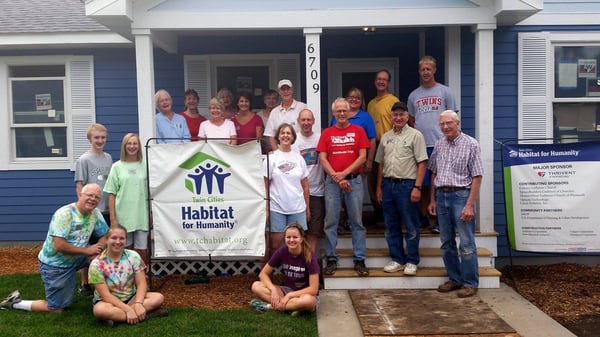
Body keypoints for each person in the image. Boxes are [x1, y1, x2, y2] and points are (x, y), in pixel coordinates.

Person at [0, 184, 109, 312]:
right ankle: (15, 303)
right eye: (89, 195)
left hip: (78, 257)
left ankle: (107, 294)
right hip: (56, 265)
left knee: (108, 257)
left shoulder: (94, 213)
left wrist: (97, 252)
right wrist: (88, 251)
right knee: (57, 309)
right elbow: (59, 245)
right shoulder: (64, 214)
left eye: (96, 197)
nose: (93, 199)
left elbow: (105, 233)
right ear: (80, 195)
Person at [428, 110, 483, 298]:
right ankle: (454, 278)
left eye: (448, 123)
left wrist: (470, 205)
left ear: (457, 123)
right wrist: (432, 200)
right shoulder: (439, 144)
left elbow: (477, 177)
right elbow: (433, 173)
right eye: (442, 124)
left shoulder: (471, 144)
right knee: (446, 242)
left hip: (461, 196)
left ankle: (470, 282)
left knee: (466, 243)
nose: (445, 127)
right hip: (441, 195)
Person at [317, 98, 370, 277]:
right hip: (332, 183)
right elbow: (323, 158)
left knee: (357, 222)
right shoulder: (327, 133)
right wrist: (337, 177)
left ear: (349, 113)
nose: (341, 114)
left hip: (353, 181)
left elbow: (362, 157)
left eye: (344, 111)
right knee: (331, 222)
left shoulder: (359, 131)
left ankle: (359, 259)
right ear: (333, 113)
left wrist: (344, 174)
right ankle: (331, 258)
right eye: (338, 111)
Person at [375, 102, 428, 276]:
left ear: (407, 116)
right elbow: (381, 165)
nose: (398, 118)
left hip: (407, 185)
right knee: (391, 225)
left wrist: (417, 187)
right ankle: (397, 259)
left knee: (411, 224)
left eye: (401, 115)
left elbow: (422, 163)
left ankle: (412, 260)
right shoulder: (385, 137)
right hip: (388, 185)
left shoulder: (416, 135)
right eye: (395, 115)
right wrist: (379, 188)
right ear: (391, 117)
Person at [407, 55, 457, 232]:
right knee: (423, 183)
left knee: (441, 182)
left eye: (429, 69)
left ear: (434, 70)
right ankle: (424, 217)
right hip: (421, 145)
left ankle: (439, 221)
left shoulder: (445, 92)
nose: (426, 72)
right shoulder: (414, 95)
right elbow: (412, 120)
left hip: (441, 144)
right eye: (423, 69)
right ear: (419, 72)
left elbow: (453, 118)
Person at [89, 225, 167, 326]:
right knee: (99, 311)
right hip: (108, 302)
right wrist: (128, 309)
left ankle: (116, 318)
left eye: (122, 238)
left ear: (125, 240)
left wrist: (138, 303)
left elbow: (142, 283)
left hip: (132, 298)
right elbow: (106, 296)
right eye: (114, 238)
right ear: (107, 240)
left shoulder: (133, 256)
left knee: (158, 297)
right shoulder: (97, 264)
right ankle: (145, 315)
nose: (118, 242)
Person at [74, 123, 112, 296]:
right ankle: (84, 282)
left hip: (106, 209)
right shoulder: (83, 159)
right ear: (90, 139)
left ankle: (101, 277)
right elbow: (79, 185)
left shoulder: (109, 158)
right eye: (96, 137)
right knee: (87, 245)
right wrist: (84, 208)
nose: (100, 140)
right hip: (91, 209)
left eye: (103, 137)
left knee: (104, 244)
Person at [250, 222, 319, 315]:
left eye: (295, 237)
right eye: (288, 237)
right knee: (256, 286)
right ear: (285, 238)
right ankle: (293, 307)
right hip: (286, 290)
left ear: (301, 239)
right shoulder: (282, 251)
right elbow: (263, 274)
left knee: (309, 302)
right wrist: (273, 289)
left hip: (303, 293)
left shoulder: (309, 255)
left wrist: (291, 295)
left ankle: (269, 306)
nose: (291, 240)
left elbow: (314, 289)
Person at [104, 133, 150, 266]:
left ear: (139, 146)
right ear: (124, 146)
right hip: (123, 215)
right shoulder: (117, 167)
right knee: (125, 248)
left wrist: (151, 214)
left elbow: (150, 190)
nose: (132, 146)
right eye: (129, 143)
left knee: (142, 250)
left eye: (135, 143)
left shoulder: (145, 165)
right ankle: (125, 276)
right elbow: (111, 194)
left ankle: (141, 277)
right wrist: (113, 219)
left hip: (142, 213)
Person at [264, 123, 310, 255]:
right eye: (283, 133)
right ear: (278, 136)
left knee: (298, 245)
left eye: (288, 133)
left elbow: (305, 185)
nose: (285, 135)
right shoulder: (271, 158)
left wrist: (307, 207)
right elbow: (265, 185)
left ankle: (295, 273)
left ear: (293, 137)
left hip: (297, 208)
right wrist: (266, 208)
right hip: (276, 207)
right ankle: (273, 274)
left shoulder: (299, 158)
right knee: (276, 245)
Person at [367, 70, 399, 225]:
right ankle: (378, 214)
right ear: (375, 81)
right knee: (373, 181)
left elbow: (399, 123)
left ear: (388, 82)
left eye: (384, 79)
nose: (381, 82)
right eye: (379, 79)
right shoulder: (371, 103)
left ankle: (389, 216)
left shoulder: (392, 101)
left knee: (386, 180)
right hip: (373, 145)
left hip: (390, 144)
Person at [292, 109, 325, 255]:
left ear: (313, 121)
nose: (306, 123)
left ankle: (309, 264)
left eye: (308, 120)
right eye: (303, 120)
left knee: (313, 232)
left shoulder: (320, 138)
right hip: (296, 194)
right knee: (298, 233)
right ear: (298, 121)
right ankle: (298, 264)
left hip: (316, 192)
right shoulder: (293, 141)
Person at [264, 79, 307, 152]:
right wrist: (277, 153)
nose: (285, 92)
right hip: (281, 153)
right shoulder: (274, 112)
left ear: (292, 90)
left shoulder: (303, 107)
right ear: (279, 92)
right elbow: (270, 135)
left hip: (300, 151)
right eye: (283, 89)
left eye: (288, 89)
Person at [257, 89, 279, 154]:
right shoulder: (259, 116)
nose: (271, 101)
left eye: (273, 98)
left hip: (278, 149)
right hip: (263, 150)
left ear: (277, 100)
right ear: (264, 101)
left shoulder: (281, 114)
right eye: (268, 98)